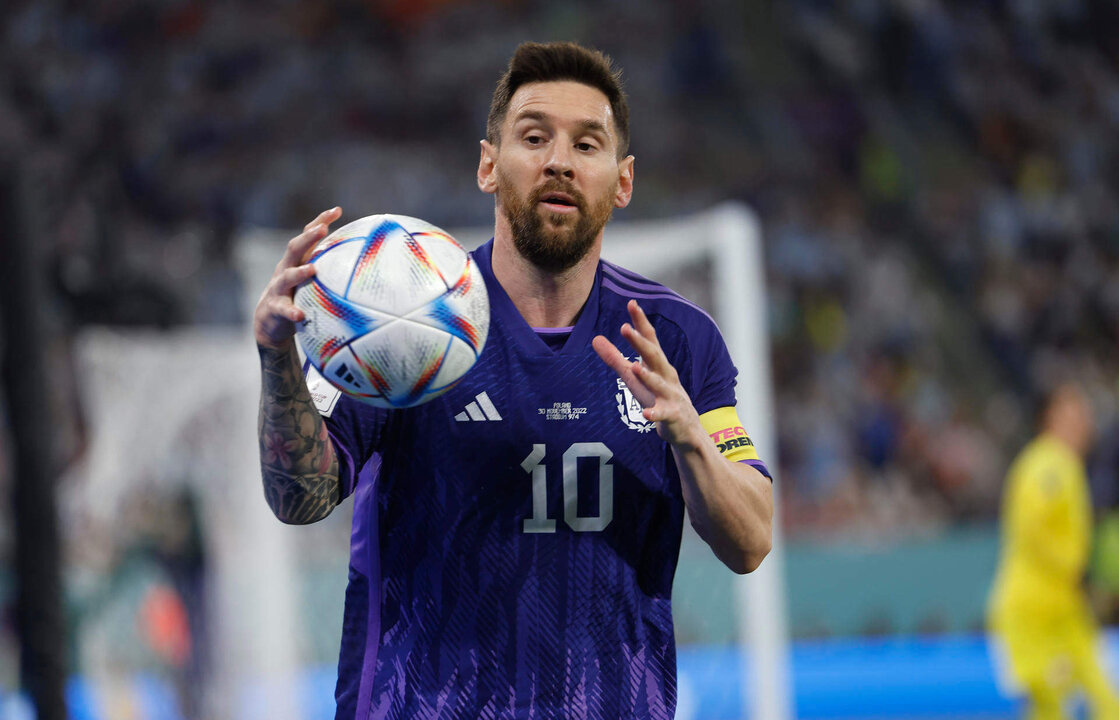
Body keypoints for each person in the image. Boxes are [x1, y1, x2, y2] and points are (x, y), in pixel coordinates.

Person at [253, 41, 773, 719]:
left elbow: (750, 542)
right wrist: (277, 360)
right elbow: (302, 496)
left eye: (588, 144)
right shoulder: (401, 320)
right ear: (488, 165)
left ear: (622, 180)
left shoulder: (675, 339)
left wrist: (686, 437)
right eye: (534, 137)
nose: (559, 159)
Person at [988, 383, 1119, 720]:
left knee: (1086, 700)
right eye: (1074, 414)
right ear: (1051, 419)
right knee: (1055, 706)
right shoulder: (1050, 464)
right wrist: (1074, 567)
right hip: (1038, 610)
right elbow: (1035, 526)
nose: (1084, 422)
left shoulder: (1059, 464)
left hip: (1061, 606)